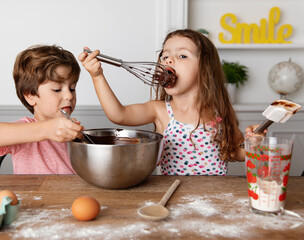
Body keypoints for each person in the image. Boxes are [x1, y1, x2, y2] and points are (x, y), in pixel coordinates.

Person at [78, 29, 262, 176]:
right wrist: (97, 76)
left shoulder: (219, 111)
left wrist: (253, 143)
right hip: (173, 197)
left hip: (213, 198)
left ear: (205, 68)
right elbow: (118, 115)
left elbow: (236, 153)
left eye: (182, 56)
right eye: (165, 57)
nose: (169, 60)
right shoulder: (159, 110)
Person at [0, 45, 84, 174]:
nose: (69, 95)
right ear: (30, 96)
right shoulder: (25, 129)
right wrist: (46, 129)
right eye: (57, 89)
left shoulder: (72, 131)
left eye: (72, 88)